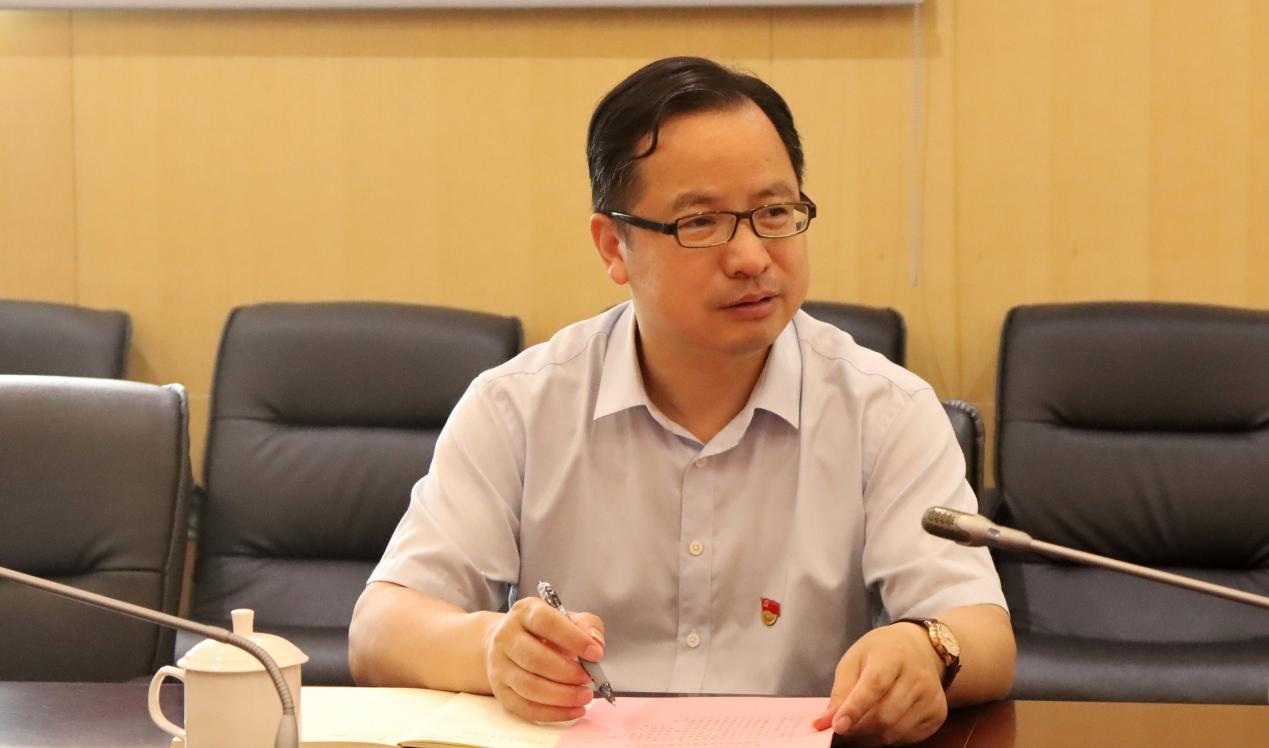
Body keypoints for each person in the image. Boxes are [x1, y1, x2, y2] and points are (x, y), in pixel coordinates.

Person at [349, 56, 1015, 746]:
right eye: (701, 223)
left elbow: (983, 633)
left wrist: (926, 648)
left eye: (775, 213)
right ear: (614, 245)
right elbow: (379, 630)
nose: (752, 256)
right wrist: (494, 649)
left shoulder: (884, 409)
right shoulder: (518, 407)